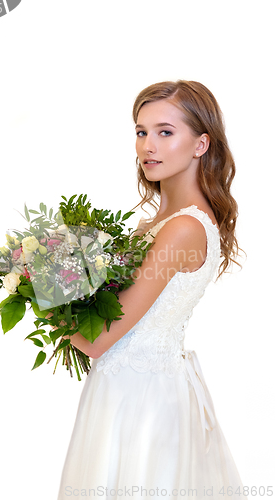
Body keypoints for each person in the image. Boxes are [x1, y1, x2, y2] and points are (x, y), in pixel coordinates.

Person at [57, 80, 246, 499]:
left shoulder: (182, 229)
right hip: (132, 391)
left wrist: (42, 290)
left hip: (140, 401)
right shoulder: (161, 222)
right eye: (141, 132)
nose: (148, 146)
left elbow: (98, 340)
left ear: (200, 144)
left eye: (165, 132)